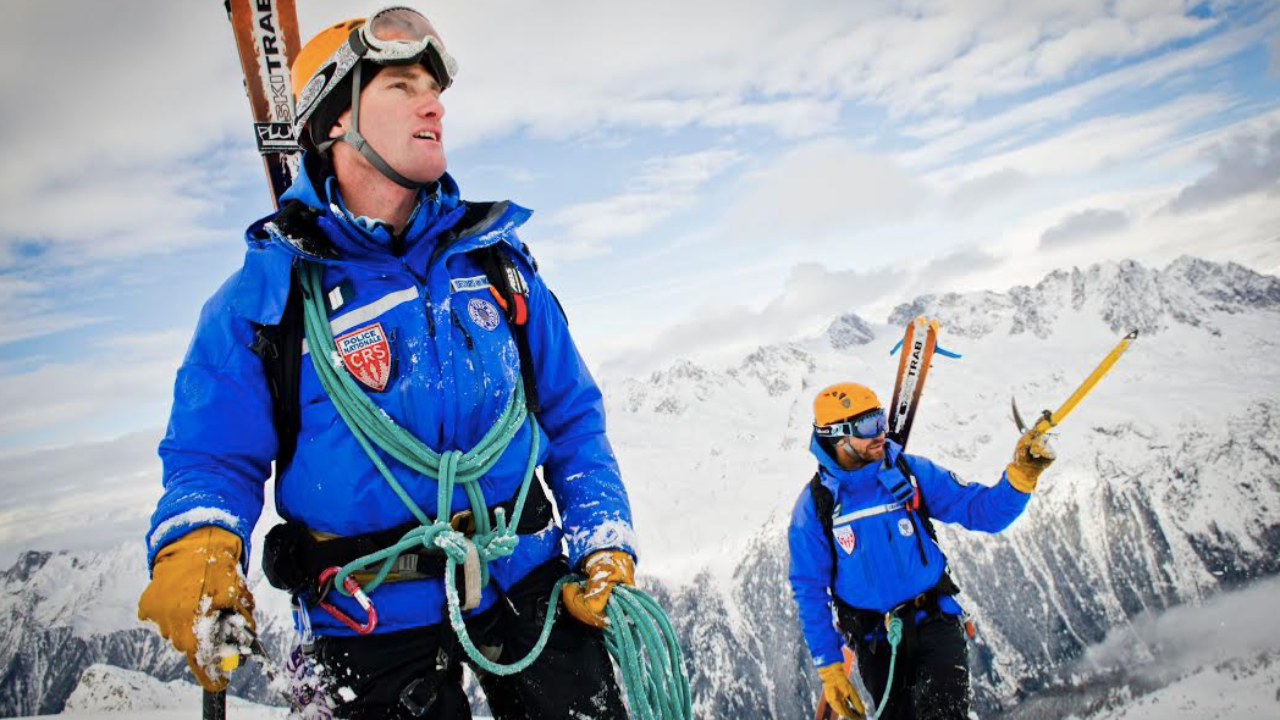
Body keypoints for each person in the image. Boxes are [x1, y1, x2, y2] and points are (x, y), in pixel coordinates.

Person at [137, 7, 637, 719]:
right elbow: (212, 460)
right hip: (366, 618)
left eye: (432, 87)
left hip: (528, 581)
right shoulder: (264, 302)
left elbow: (573, 417)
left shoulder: (497, 266)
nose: (433, 103)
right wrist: (201, 544)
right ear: (335, 121)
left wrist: (603, 540)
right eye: (401, 86)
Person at [788, 383, 1053, 720]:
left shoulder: (909, 473)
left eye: (881, 420)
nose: (881, 433)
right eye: (869, 426)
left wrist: (1021, 478)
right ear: (837, 437)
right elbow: (809, 590)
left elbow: (980, 511)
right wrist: (830, 667)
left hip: (935, 621)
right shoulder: (816, 508)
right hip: (876, 641)